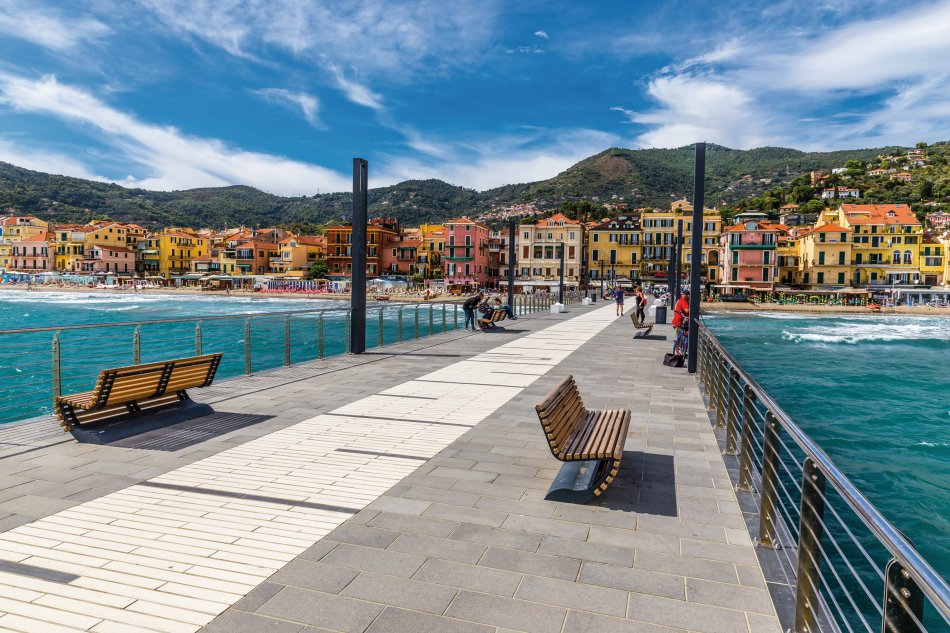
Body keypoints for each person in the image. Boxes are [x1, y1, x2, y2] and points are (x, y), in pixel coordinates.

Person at [671, 289, 690, 355]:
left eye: (684, 294)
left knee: (680, 336)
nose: (684, 295)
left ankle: (682, 348)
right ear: (688, 295)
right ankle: (677, 353)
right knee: (679, 337)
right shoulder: (683, 301)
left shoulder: (680, 300)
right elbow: (687, 310)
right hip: (678, 322)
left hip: (676, 321)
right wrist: (695, 310)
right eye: (684, 294)